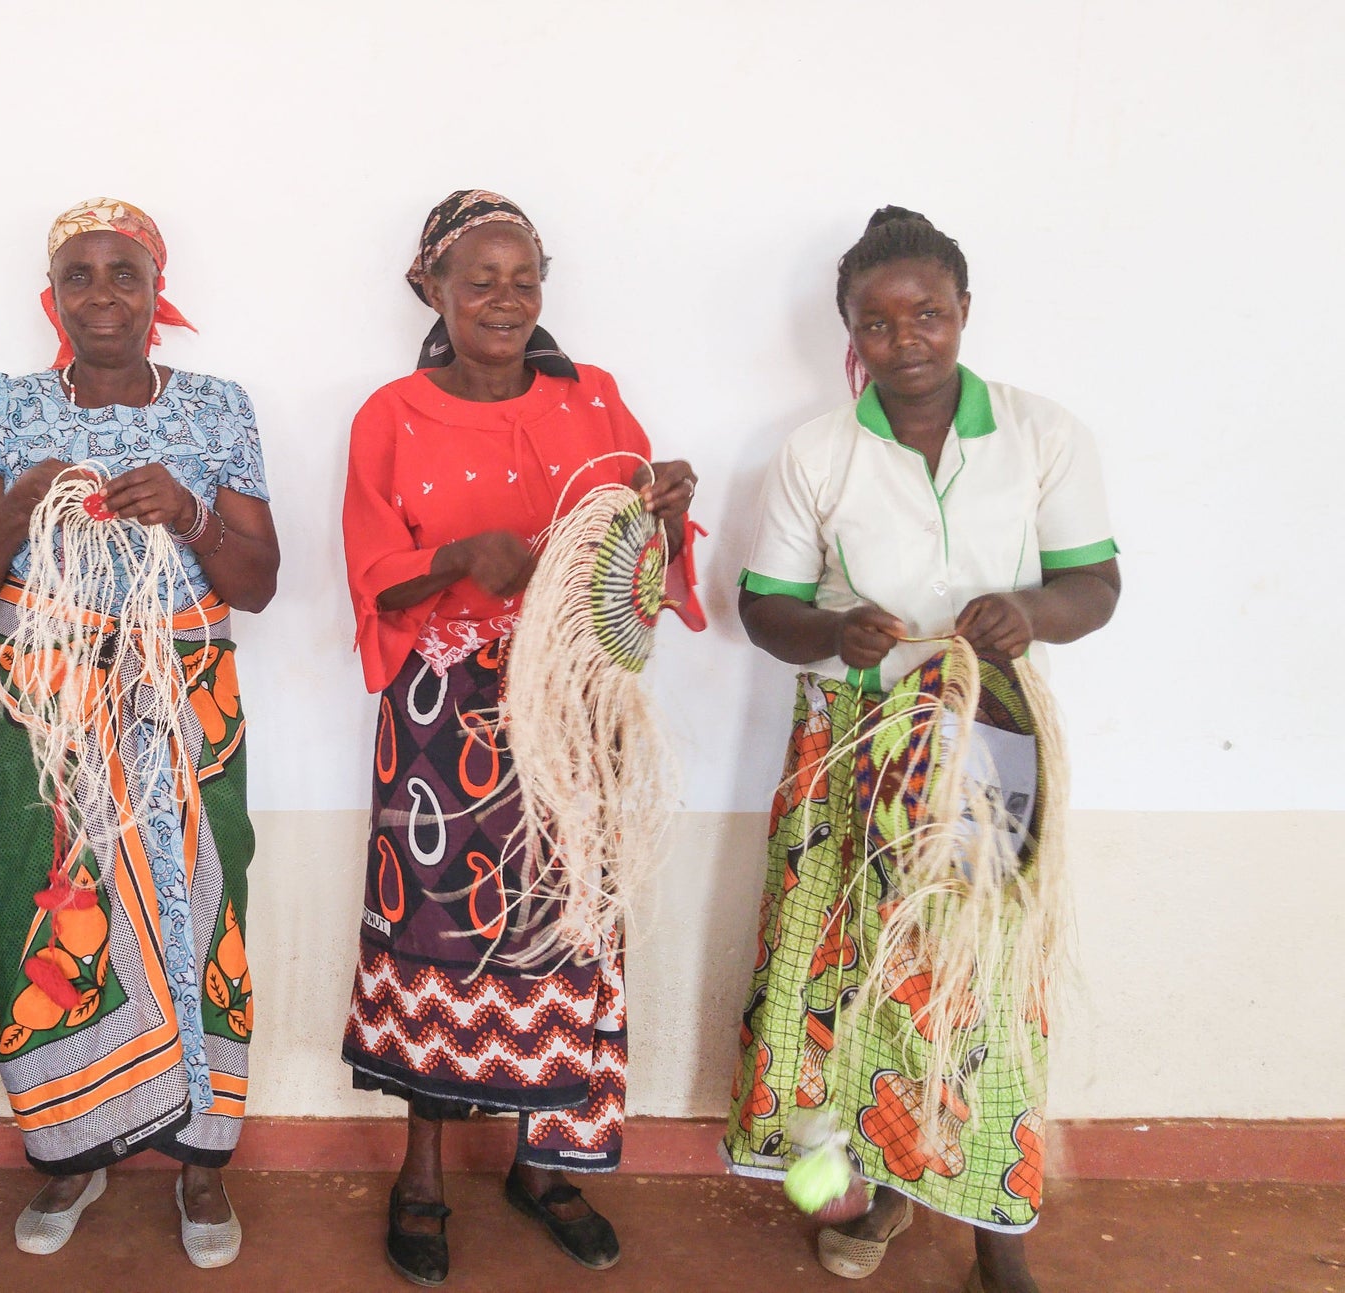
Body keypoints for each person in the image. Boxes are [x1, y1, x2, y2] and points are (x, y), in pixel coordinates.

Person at [720, 207, 1122, 1293]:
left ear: (962, 314)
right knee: (849, 975)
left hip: (987, 740)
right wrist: (830, 634)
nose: (907, 340)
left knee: (979, 977)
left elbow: (1096, 587)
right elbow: (765, 613)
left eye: (928, 316)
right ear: (848, 328)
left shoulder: (1042, 435)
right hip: (851, 744)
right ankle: (876, 1190)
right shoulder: (814, 453)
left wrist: (1030, 612)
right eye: (879, 320)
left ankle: (997, 1231)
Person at [339, 190, 703, 1286]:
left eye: (522, 278)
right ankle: (420, 1175)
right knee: (436, 936)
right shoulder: (389, 414)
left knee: (569, 930)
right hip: (443, 718)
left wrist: (667, 512)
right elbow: (366, 573)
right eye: (478, 279)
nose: (503, 298)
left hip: (578, 709)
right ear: (430, 290)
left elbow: (635, 559)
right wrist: (457, 561)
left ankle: (544, 1166)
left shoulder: (593, 400)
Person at [0, 198, 279, 1269]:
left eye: (122, 273)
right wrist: (26, 497)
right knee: (51, 911)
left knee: (206, 906)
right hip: (43, 699)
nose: (100, 295)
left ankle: (203, 1165)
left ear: (154, 291)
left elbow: (258, 583)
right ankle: (69, 1154)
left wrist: (187, 513)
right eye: (77, 276)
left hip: (184, 691)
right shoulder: (9, 407)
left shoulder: (218, 409)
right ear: (52, 298)